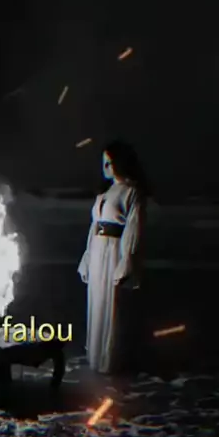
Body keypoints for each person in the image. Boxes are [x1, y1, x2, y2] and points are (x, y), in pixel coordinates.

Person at [78, 140, 148, 374]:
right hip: (98, 249)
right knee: (97, 301)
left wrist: (127, 260)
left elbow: (134, 229)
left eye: (110, 162)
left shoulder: (132, 192)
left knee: (112, 303)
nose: (106, 167)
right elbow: (94, 227)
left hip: (114, 250)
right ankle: (96, 357)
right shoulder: (105, 193)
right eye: (104, 163)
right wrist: (87, 257)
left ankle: (111, 360)